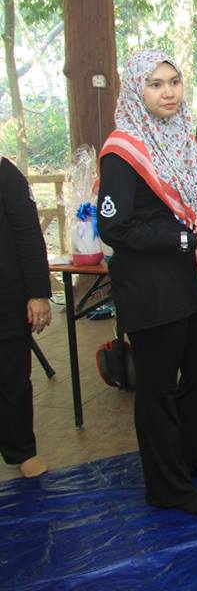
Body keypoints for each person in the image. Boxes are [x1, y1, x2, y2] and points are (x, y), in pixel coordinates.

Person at [98, 49, 197, 515]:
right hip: (151, 288)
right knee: (157, 390)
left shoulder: (182, 140)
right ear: (137, 91)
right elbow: (115, 228)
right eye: (155, 84)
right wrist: (188, 239)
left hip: (193, 278)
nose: (168, 92)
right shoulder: (123, 150)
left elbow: (188, 208)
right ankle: (167, 487)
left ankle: (187, 459)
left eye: (173, 82)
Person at [0, 157, 51, 479]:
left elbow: (29, 236)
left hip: (6, 298)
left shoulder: (6, 175)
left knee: (13, 378)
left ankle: (21, 450)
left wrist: (38, 293)